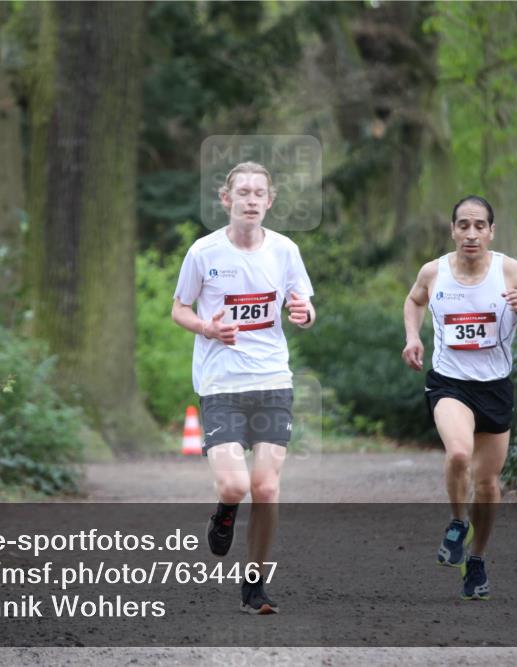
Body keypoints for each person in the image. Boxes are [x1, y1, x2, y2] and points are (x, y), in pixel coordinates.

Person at [171, 161, 315, 614]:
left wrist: (304, 315)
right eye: (243, 192)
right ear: (226, 199)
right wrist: (206, 329)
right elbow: (179, 310)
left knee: (267, 488)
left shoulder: (286, 251)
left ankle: (254, 582)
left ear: (270, 201)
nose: (251, 200)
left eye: (259, 193)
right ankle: (224, 510)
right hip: (221, 384)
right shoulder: (204, 253)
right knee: (235, 485)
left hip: (273, 379)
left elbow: (304, 307)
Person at [401, 195, 517, 600]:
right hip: (449, 383)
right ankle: (456, 523)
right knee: (460, 454)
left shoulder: (511, 271)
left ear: (491, 231)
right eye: (463, 225)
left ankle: (477, 560)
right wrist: (413, 338)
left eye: (479, 226)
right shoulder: (434, 272)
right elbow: (414, 300)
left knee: (487, 485)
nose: (470, 233)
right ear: (452, 230)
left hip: (495, 388)